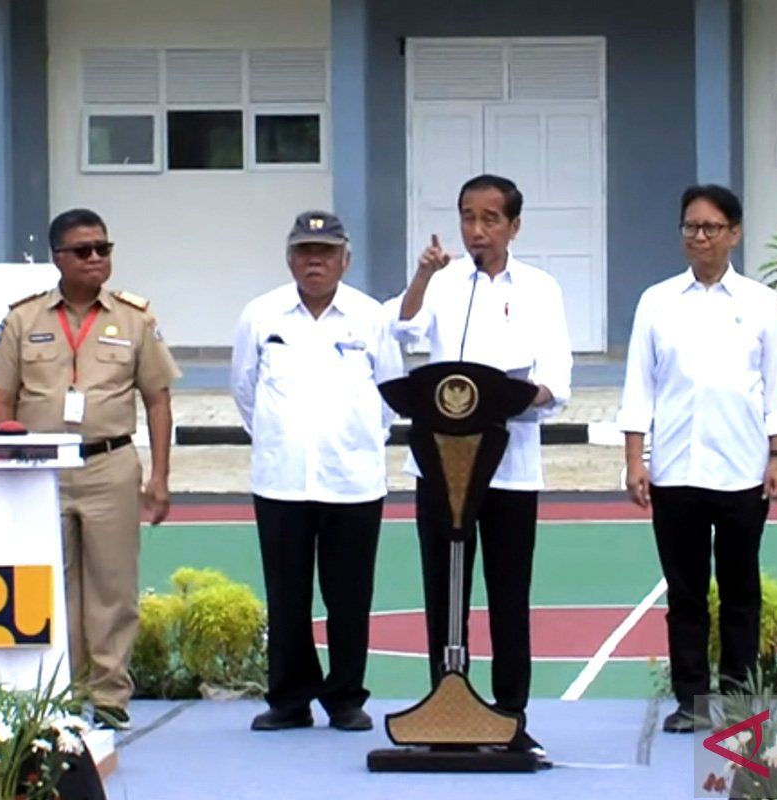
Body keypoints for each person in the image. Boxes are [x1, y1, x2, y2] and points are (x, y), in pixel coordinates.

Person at [0, 209, 180, 729]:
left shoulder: (135, 319)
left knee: (113, 587)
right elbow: (1, 403)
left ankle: (110, 697)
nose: (96, 259)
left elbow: (157, 401)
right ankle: (60, 695)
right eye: (84, 250)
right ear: (57, 258)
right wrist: (7, 439)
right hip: (41, 470)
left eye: (103, 249)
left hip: (109, 463)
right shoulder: (23, 319)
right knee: (52, 584)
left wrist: (158, 478)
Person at [393, 174, 572, 757]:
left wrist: (518, 398)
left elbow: (557, 379)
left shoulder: (541, 288)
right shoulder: (443, 283)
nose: (477, 230)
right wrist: (423, 273)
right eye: (468, 217)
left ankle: (510, 712)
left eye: (490, 219)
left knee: (508, 592)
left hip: (511, 466)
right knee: (444, 591)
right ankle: (447, 707)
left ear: (514, 226)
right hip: (441, 468)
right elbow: (403, 329)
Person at [617, 185, 777, 732]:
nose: (700, 237)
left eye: (711, 227)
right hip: (676, 471)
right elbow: (638, 388)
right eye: (691, 227)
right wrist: (635, 460)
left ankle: (742, 700)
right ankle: (690, 699)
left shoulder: (761, 303)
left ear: (734, 234)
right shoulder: (656, 301)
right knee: (686, 594)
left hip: (743, 471)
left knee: (741, 592)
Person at [230, 211, 402, 732]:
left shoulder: (370, 317)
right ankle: (289, 699)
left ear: (345, 259)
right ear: (289, 259)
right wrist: (282, 436)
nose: (315, 261)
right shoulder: (261, 316)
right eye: (305, 251)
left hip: (352, 478)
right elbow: (244, 389)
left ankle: (346, 697)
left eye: (325, 252)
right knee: (287, 595)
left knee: (349, 595)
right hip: (282, 478)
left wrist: (353, 438)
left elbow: (392, 393)